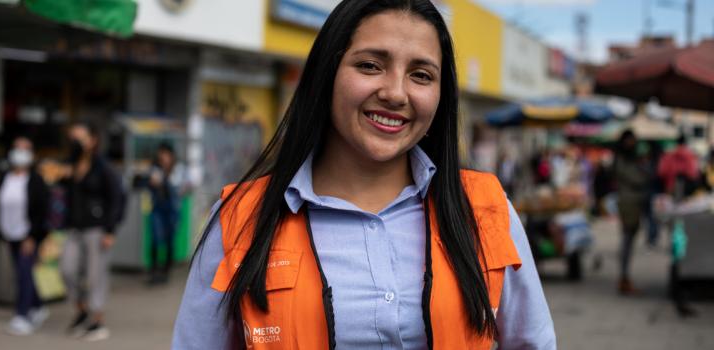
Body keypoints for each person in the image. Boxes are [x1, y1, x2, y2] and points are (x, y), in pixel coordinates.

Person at [173, 1, 555, 348]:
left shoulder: (487, 209)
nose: (395, 93)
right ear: (328, 73)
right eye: (370, 65)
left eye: (421, 75)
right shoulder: (240, 219)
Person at [0, 136, 51, 335]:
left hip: (28, 235)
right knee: (21, 271)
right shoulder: (3, 177)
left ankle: (22, 314)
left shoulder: (36, 181)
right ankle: (38, 306)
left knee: (24, 272)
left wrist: (33, 236)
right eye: (17, 148)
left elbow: (42, 211)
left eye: (26, 149)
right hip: (10, 232)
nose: (20, 152)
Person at [59, 122, 124, 341]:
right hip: (74, 228)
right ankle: (81, 310)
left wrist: (110, 229)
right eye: (73, 137)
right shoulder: (70, 165)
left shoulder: (102, 167)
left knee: (96, 275)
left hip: (97, 229)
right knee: (67, 269)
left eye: (80, 137)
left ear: (93, 139)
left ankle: (97, 321)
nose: (76, 141)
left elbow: (117, 197)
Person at [613, 130, 651, 295]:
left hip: (634, 201)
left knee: (629, 239)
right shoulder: (622, 159)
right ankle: (624, 277)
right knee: (627, 240)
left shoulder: (631, 158)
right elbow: (636, 178)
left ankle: (625, 276)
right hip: (628, 202)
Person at [146, 142, 186, 284]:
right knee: (156, 239)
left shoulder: (178, 169)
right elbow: (150, 184)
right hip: (158, 207)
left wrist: (165, 180)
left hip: (172, 209)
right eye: (160, 153)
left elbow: (182, 186)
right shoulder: (155, 168)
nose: (162, 156)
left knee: (170, 239)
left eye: (165, 153)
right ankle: (154, 270)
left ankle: (166, 271)